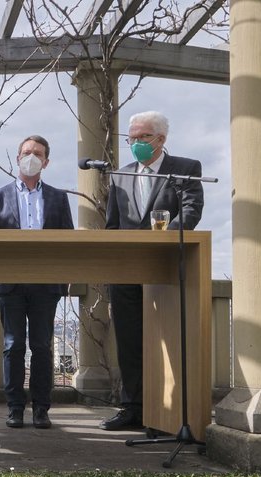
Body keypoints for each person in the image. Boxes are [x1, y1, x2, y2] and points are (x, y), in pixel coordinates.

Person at [101, 111, 204, 431]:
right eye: (131, 138)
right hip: (128, 270)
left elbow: (191, 211)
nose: (135, 144)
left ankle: (169, 412)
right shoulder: (120, 175)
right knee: (130, 342)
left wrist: (167, 238)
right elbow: (113, 225)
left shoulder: (185, 169)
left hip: (167, 268)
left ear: (160, 139)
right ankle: (132, 407)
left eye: (142, 137)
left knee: (169, 342)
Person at [0, 135, 74, 430]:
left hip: (46, 284)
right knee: (13, 345)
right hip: (9, 284)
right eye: (25, 152)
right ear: (17, 158)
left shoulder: (59, 198)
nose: (30, 157)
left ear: (46, 161)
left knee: (42, 346)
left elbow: (67, 240)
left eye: (37, 153)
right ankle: (15, 408)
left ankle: (41, 409)